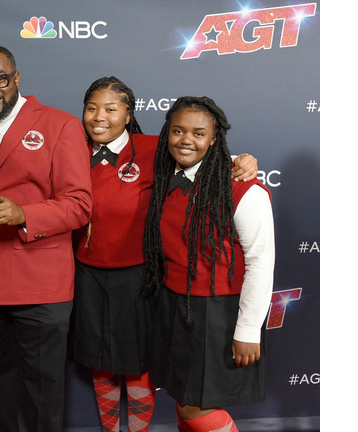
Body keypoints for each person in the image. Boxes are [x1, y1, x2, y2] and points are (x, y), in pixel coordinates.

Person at [68, 77, 259, 432]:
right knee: (101, 365)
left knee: (139, 363)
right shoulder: (70, 149)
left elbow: (195, 149)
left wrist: (241, 160)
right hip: (87, 276)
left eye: (111, 108)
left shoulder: (151, 147)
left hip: (140, 278)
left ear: (128, 114)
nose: (99, 116)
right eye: (92, 107)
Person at [0, 44, 93, 432]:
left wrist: (25, 214)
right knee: (0, 386)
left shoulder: (59, 125)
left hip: (39, 284)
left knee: (43, 391)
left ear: (16, 78)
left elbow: (80, 204)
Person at [142, 96, 274, 432]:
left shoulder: (242, 189)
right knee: (183, 399)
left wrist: (247, 330)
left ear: (214, 139)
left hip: (218, 313)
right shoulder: (166, 176)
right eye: (177, 131)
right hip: (175, 306)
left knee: (195, 409)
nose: (186, 139)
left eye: (199, 133)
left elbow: (260, 262)